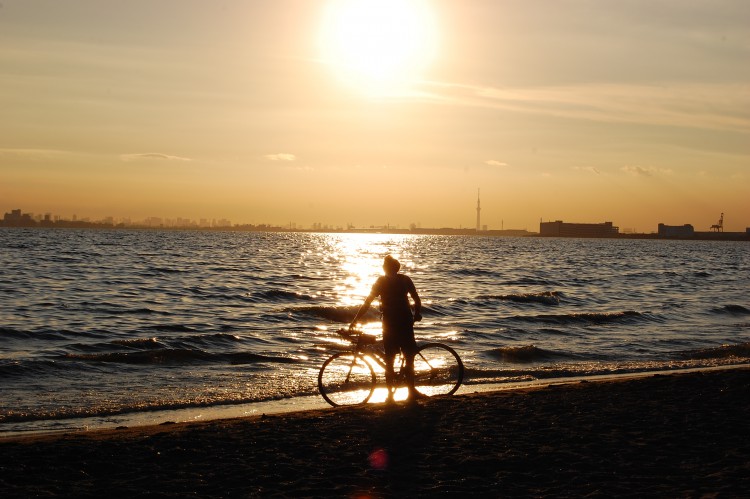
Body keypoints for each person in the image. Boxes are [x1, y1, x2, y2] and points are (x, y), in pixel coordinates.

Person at [349, 255, 422, 402]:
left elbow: (368, 302)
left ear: (385, 268)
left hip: (390, 323)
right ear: (397, 268)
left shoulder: (381, 281)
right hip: (405, 322)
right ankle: (411, 391)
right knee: (409, 358)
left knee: (390, 360)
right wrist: (417, 314)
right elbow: (416, 299)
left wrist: (356, 319)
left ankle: (390, 396)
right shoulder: (405, 279)